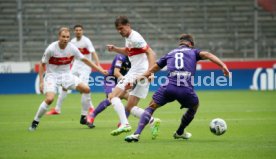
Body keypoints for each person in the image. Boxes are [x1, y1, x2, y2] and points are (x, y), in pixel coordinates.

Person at [125, 34, 230, 142]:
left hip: (168, 87)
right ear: (191, 44)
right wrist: (223, 66)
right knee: (194, 106)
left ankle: (136, 134)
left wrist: (134, 81)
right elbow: (207, 54)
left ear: (180, 43)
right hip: (185, 89)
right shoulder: (194, 52)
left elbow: (151, 70)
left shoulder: (170, 53)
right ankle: (180, 132)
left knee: (151, 106)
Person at [28, 27, 108, 131]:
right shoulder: (51, 48)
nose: (65, 39)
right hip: (52, 76)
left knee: (86, 89)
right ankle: (35, 121)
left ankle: (83, 117)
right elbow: (42, 64)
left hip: (66, 75)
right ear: (59, 37)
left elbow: (85, 60)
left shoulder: (72, 48)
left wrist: (100, 69)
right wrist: (41, 81)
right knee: (50, 99)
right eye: (63, 37)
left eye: (67, 37)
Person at [105, 16, 161, 138]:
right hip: (140, 73)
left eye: (121, 28)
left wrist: (151, 72)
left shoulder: (135, 37)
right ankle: (152, 120)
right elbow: (128, 51)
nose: (120, 31)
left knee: (112, 96)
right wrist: (115, 49)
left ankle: (124, 124)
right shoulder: (129, 38)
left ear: (128, 25)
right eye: (118, 29)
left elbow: (151, 53)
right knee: (130, 107)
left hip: (137, 73)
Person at [46, 24, 101, 125]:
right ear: (74, 32)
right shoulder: (72, 42)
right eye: (76, 30)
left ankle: (90, 109)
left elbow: (93, 53)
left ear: (82, 31)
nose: (78, 32)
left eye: (80, 30)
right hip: (75, 65)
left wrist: (98, 65)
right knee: (64, 86)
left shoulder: (86, 41)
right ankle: (57, 109)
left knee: (84, 89)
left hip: (85, 67)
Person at [86, 54, 131, 128]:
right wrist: (125, 81)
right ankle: (92, 115)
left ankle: (123, 122)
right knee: (111, 98)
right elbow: (116, 73)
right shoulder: (120, 57)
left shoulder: (134, 60)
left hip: (121, 80)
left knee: (131, 100)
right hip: (111, 79)